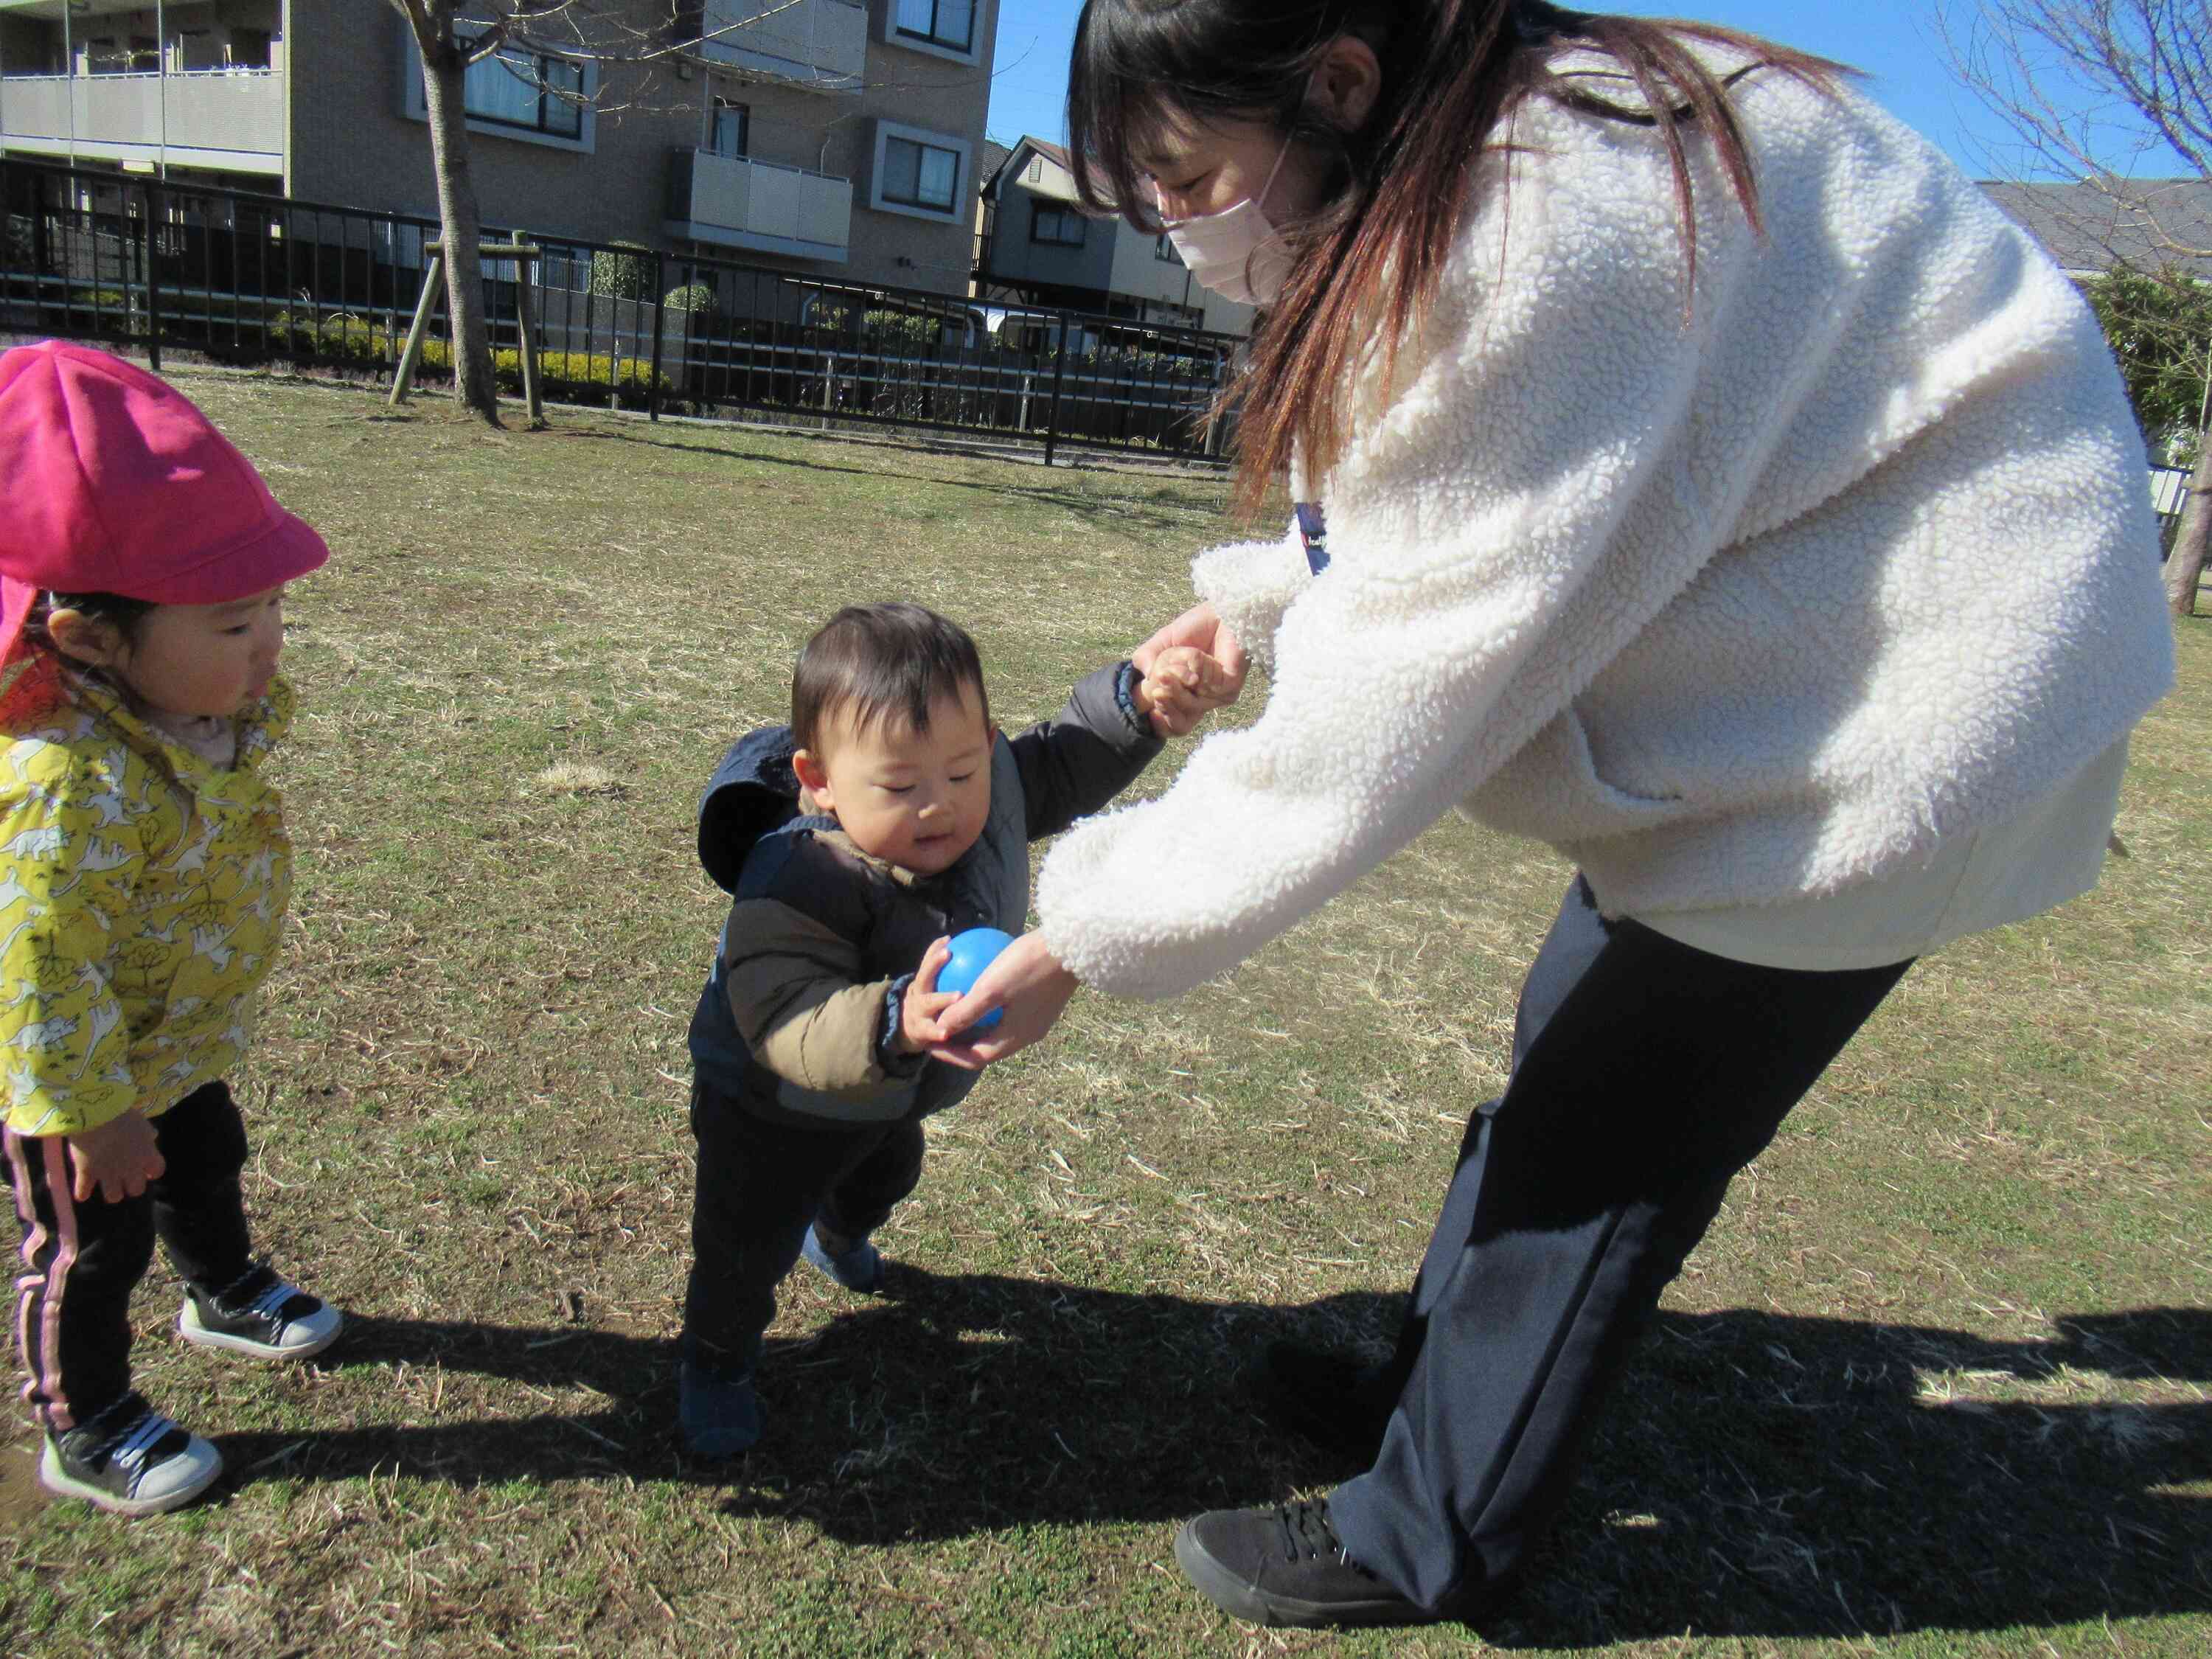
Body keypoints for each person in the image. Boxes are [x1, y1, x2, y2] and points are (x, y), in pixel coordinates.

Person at [930, 0, 2179, 1630]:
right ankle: (1431, 1397)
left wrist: (1082, 937)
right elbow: (1427, 512)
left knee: (1609, 1139)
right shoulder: (1488, 154)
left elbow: (1411, 680)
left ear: (1339, 83)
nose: (1174, 221)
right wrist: (1252, 611)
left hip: (1933, 699)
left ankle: (1429, 1531)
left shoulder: (1541, 216)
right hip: (1845, 651)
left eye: (1186, 173)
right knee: (1568, 1052)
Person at [678, 602, 1234, 1456]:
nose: (940, 806)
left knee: (884, 1176)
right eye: (900, 787)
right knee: (743, 1252)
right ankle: (716, 1363)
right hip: (772, 1107)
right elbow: (782, 1014)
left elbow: (1057, 766)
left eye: (964, 771)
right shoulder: (798, 875)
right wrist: (893, 1020)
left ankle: (842, 1231)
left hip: (892, 1094)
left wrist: (1136, 705)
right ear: (819, 781)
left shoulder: (988, 789)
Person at [0, 341, 344, 1517]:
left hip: (176, 1030)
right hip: (79, 1077)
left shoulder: (182, 712)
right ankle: (83, 1420)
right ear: (91, 637)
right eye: (235, 624)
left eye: (274, 612)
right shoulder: (62, 783)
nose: (271, 648)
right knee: (90, 1247)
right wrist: (92, 1111)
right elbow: (37, 971)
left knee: (203, 1162)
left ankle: (225, 1286)